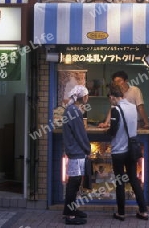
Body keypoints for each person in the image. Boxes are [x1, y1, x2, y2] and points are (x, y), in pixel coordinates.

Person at [105, 83, 149, 221]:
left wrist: (107, 131)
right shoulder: (132, 108)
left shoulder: (115, 109)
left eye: (109, 99)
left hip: (119, 150)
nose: (110, 101)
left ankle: (121, 213)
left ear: (112, 97)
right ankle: (143, 211)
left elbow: (113, 131)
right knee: (134, 180)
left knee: (120, 182)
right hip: (131, 150)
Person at [62, 85, 91, 225]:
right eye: (87, 95)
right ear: (83, 97)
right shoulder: (74, 111)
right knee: (73, 184)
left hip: (74, 151)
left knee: (74, 183)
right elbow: (80, 134)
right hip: (76, 152)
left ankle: (71, 210)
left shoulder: (71, 109)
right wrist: (87, 148)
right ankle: (69, 215)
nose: (88, 98)